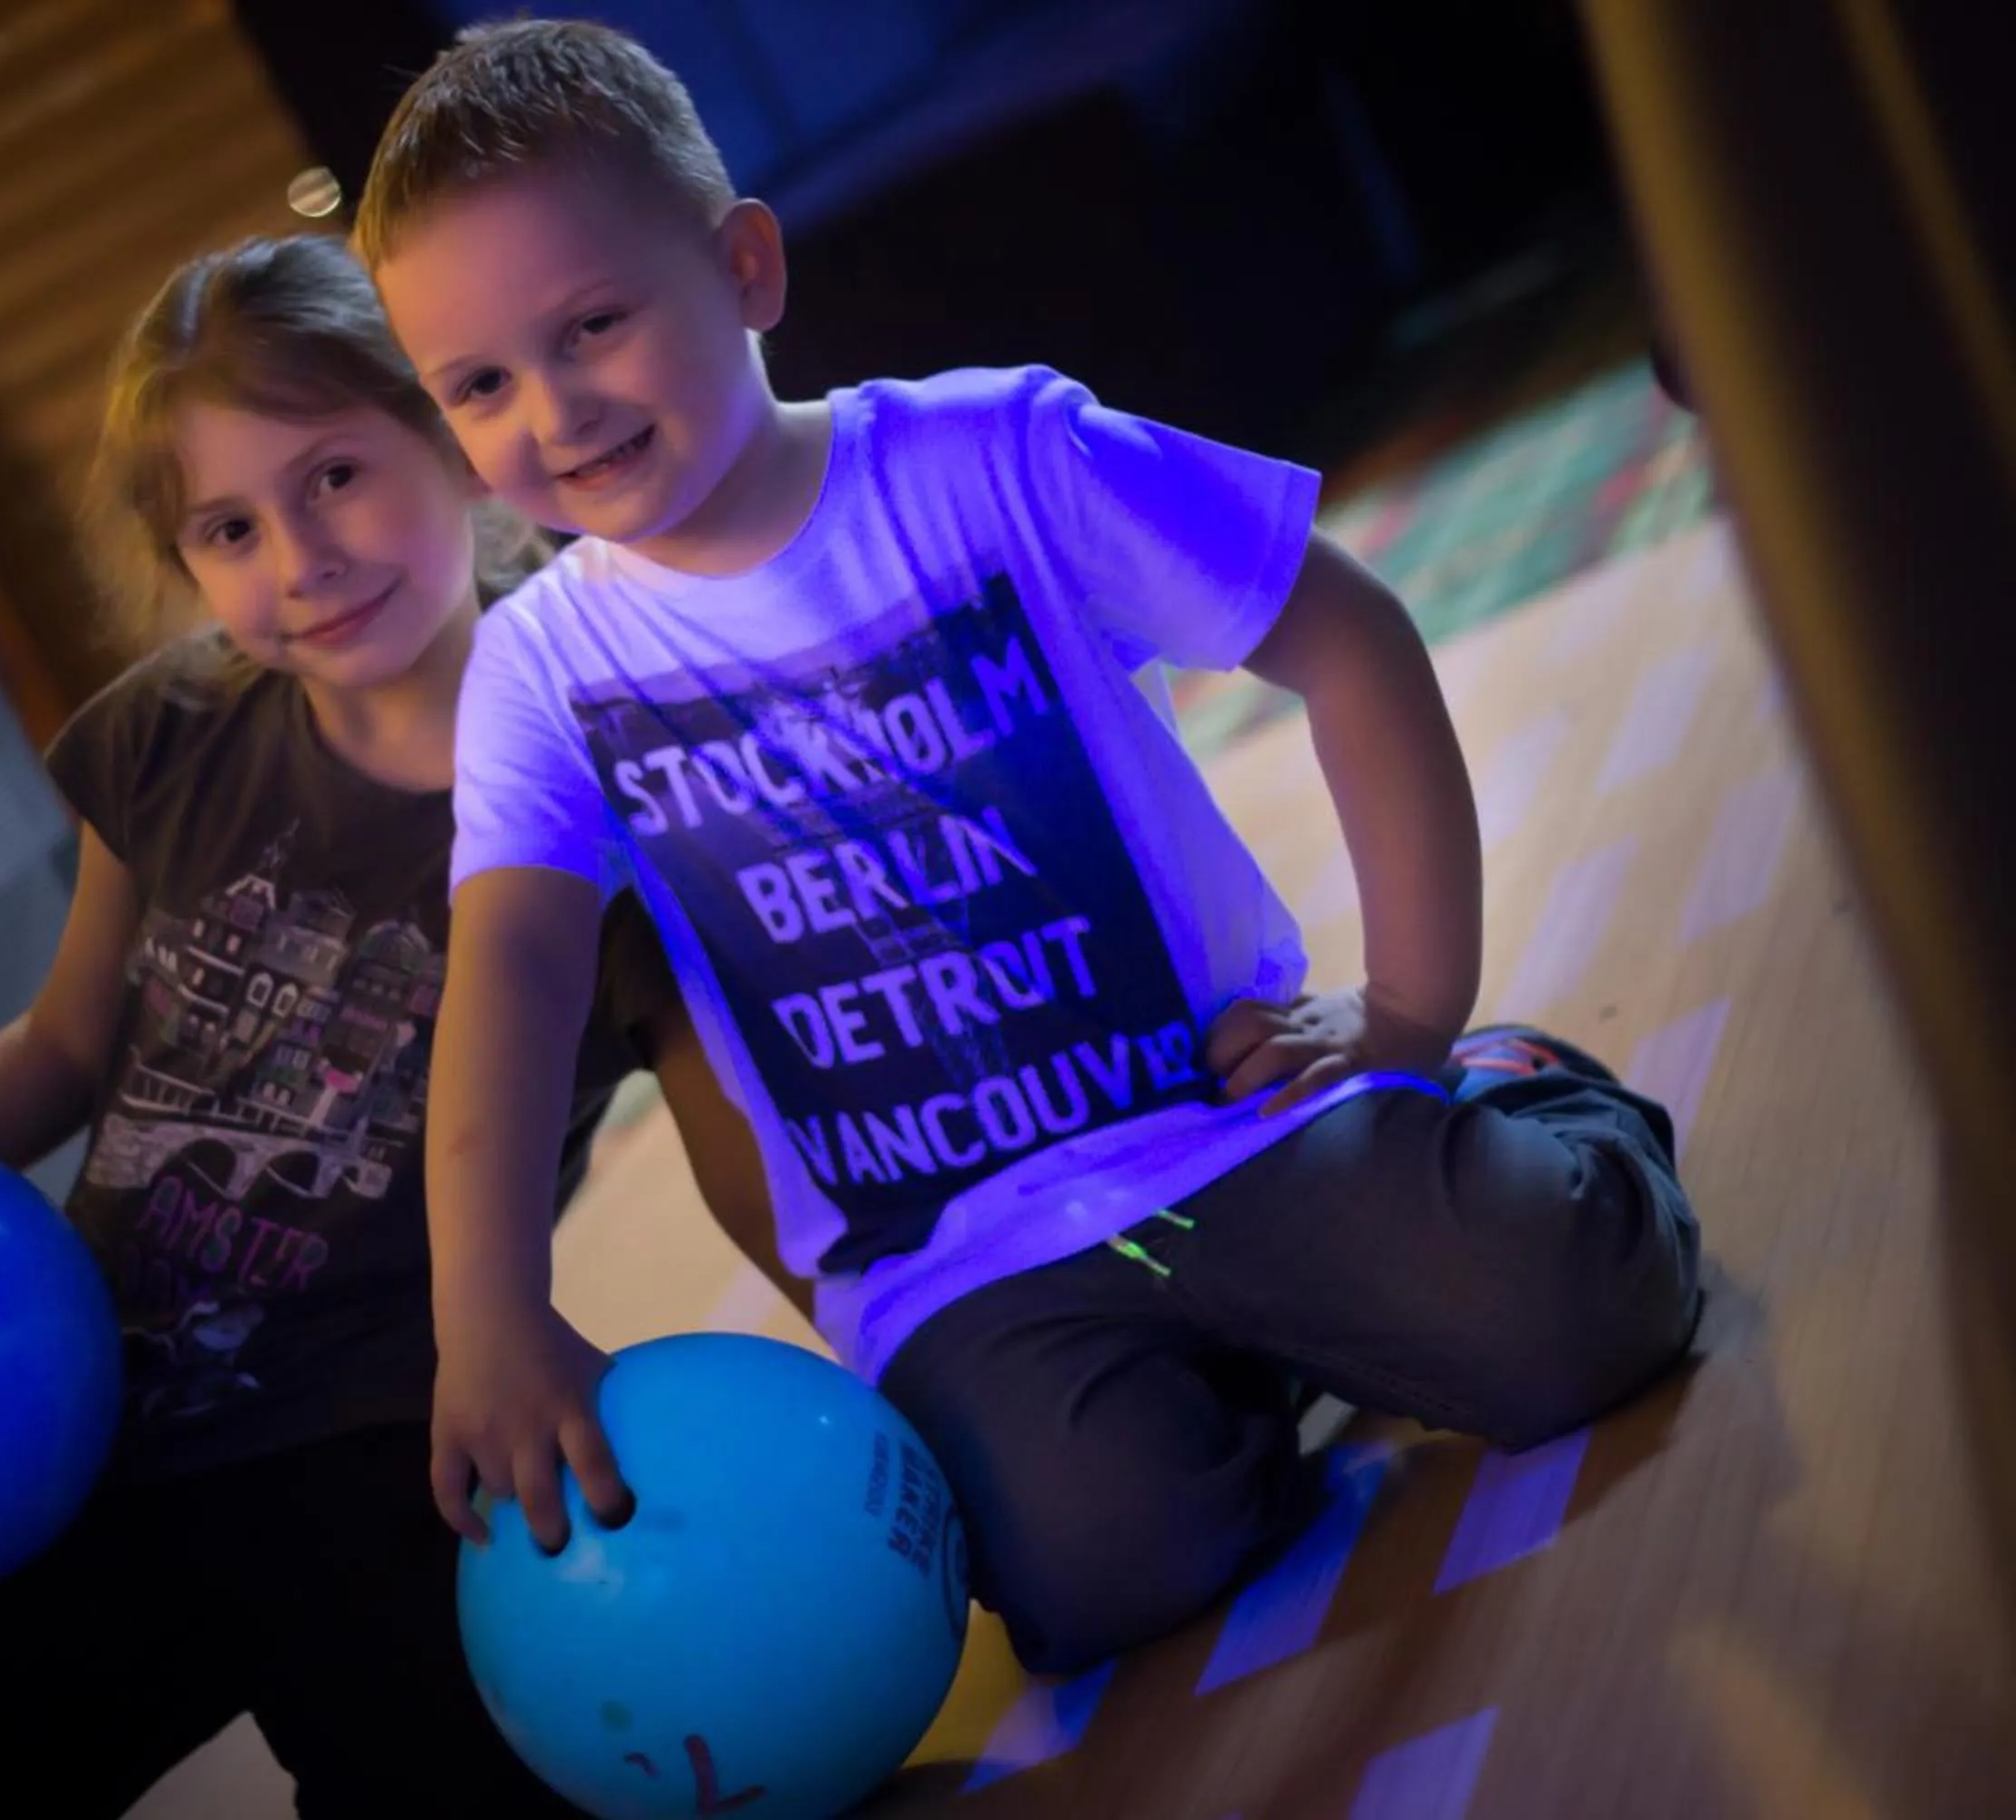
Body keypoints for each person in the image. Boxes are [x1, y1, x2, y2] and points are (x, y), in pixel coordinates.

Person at [361, 19, 1704, 1676]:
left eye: (594, 325)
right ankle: (1251, 1354)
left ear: (747, 267)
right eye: (479, 384)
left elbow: (1346, 635)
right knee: (1099, 1578)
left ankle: (1509, 1098)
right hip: (965, 1267)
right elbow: (511, 975)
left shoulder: (998, 453)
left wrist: (1416, 1012)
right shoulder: (536, 672)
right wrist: (483, 1316)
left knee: (1577, 1317)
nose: (552, 409)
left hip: (1228, 1117)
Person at [0, 233, 787, 1817]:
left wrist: (897, 1324)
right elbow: (63, 1043)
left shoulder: (601, 781)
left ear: (452, 445)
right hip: (91, 1427)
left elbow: (739, 1121)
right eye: (231, 527)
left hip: (393, 1434)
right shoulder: (167, 737)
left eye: (334, 477)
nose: (299, 560)